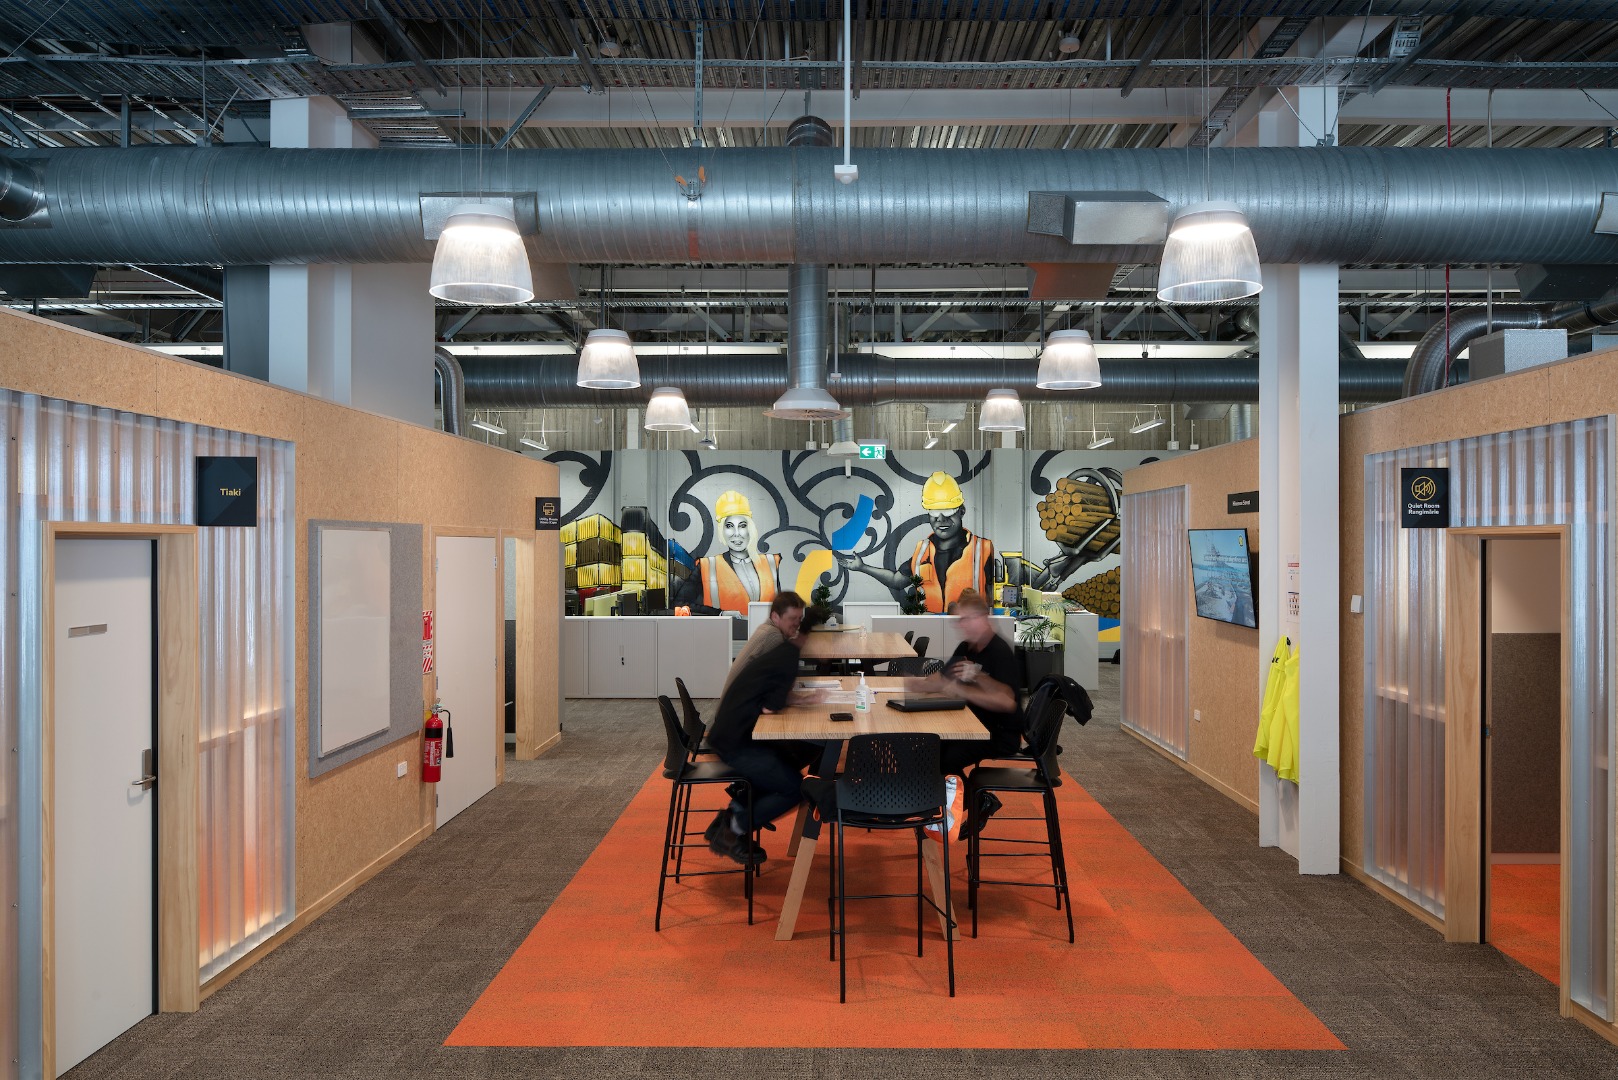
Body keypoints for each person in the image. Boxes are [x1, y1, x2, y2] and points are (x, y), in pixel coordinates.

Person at [704, 592, 823, 864]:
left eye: (799, 620)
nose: (795, 624)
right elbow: (770, 707)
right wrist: (796, 700)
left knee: (791, 760)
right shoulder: (780, 647)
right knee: (795, 787)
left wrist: (797, 699)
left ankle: (732, 817)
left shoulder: (781, 645)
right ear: (776, 617)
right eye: (792, 619)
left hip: (731, 729)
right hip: (736, 740)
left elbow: (767, 692)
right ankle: (731, 830)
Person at [909, 589, 1022, 834]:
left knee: (940, 759)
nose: (962, 625)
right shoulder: (967, 647)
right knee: (926, 751)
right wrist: (915, 685)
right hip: (972, 725)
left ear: (983, 618)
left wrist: (967, 688)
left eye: (966, 619)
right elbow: (943, 678)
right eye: (960, 620)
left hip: (998, 733)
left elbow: (1007, 702)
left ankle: (973, 801)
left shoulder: (998, 651)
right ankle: (964, 803)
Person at [835, 471, 995, 613]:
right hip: (930, 628)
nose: (941, 519)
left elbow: (993, 594)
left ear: (961, 511)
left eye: (948, 510)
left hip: (967, 628)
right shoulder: (922, 551)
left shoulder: (983, 549)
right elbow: (897, 581)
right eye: (934, 512)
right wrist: (862, 567)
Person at [678, 489, 781, 612]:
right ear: (722, 530)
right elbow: (679, 604)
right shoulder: (706, 566)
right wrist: (719, 614)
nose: (736, 533)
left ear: (750, 528)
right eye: (729, 526)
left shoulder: (770, 564)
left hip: (765, 625)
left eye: (742, 525)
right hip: (723, 625)